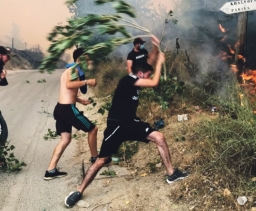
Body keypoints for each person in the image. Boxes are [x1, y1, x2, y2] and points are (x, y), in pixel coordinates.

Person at [64, 51, 188, 208]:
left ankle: (171, 174)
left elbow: (146, 62)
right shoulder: (129, 79)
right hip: (117, 125)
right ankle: (78, 191)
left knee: (159, 137)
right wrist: (160, 63)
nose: (148, 78)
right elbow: (154, 82)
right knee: (101, 160)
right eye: (147, 75)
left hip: (131, 122)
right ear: (140, 74)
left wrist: (156, 50)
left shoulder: (136, 79)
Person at [44, 48, 103, 180]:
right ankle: (95, 158)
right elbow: (70, 85)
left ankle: (50, 170)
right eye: (86, 59)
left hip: (60, 108)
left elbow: (67, 91)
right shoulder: (73, 69)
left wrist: (80, 100)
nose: (88, 62)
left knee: (65, 139)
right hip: (67, 109)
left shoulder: (70, 69)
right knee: (93, 129)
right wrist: (88, 81)